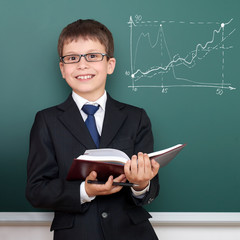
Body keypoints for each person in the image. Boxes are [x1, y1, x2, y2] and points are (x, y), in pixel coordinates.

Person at [26, 19, 160, 240]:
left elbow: (150, 188)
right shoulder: (47, 121)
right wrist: (84, 192)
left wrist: (141, 183)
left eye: (93, 56)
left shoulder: (136, 117)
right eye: (71, 58)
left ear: (110, 64)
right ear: (62, 69)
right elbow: (36, 190)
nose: (82, 65)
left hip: (133, 233)